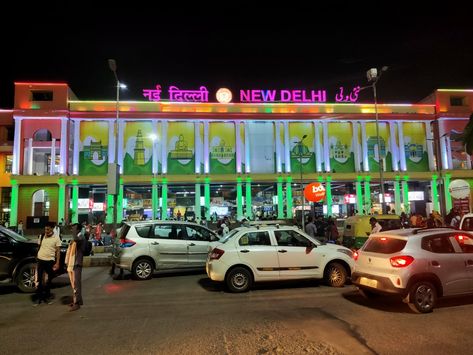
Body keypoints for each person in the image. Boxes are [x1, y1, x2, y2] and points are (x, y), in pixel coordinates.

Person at [35, 223, 62, 305]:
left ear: (52, 229)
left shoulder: (56, 238)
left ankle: (47, 297)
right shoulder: (42, 236)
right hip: (40, 260)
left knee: (48, 280)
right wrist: (37, 256)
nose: (46, 231)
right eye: (45, 229)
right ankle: (39, 298)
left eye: (48, 229)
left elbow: (58, 251)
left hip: (49, 261)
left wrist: (57, 263)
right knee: (39, 279)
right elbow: (39, 247)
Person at [65, 223, 85, 311]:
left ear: (78, 230)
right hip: (72, 263)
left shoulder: (80, 237)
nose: (72, 230)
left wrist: (74, 232)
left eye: (74, 228)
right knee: (74, 284)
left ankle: (77, 303)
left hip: (76, 264)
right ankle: (76, 300)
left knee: (76, 284)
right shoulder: (76, 237)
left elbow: (77, 239)